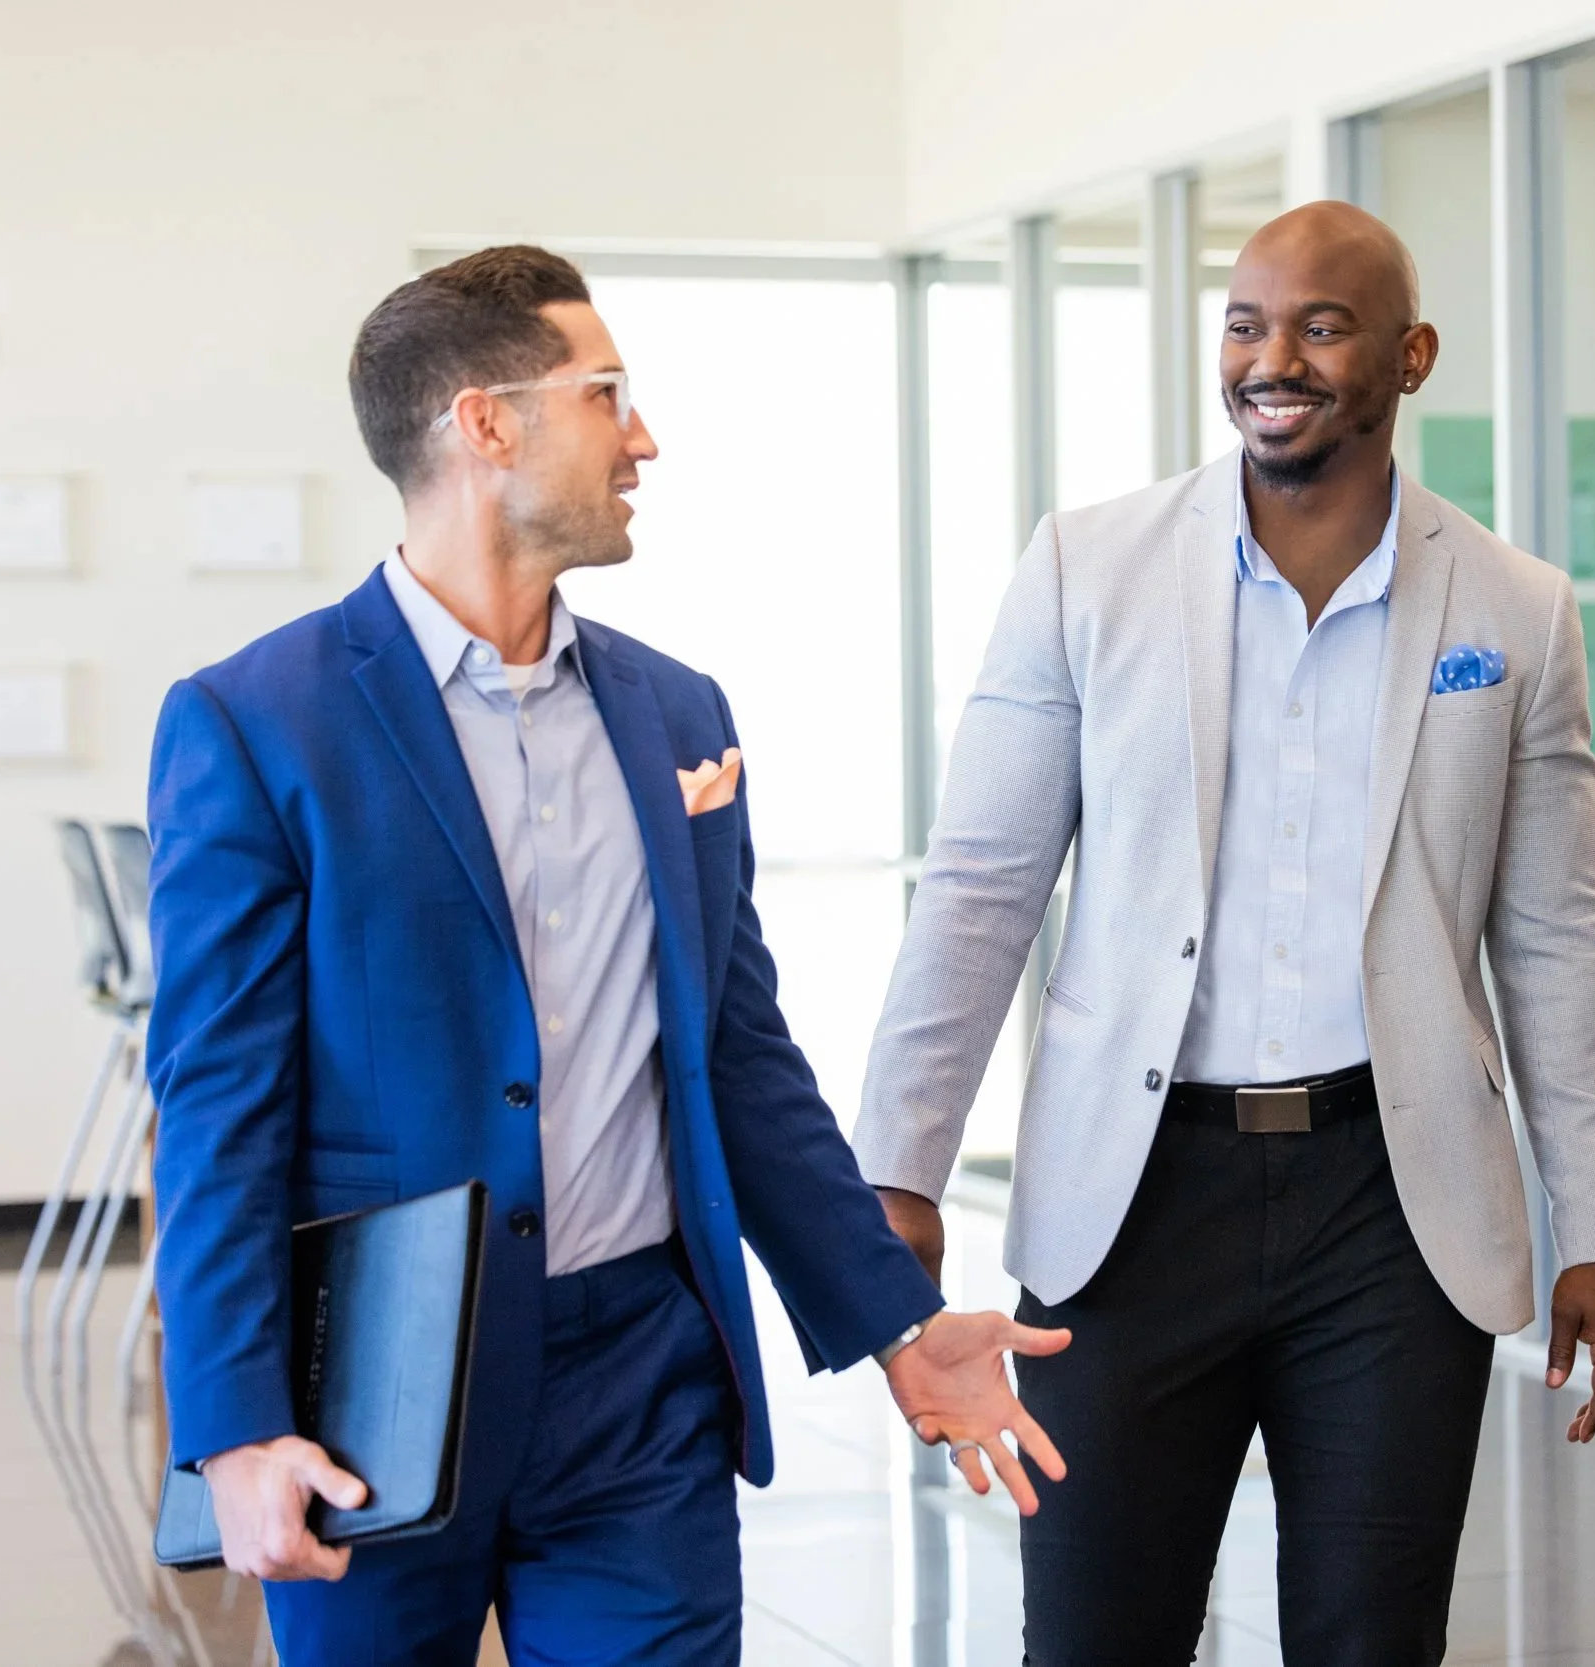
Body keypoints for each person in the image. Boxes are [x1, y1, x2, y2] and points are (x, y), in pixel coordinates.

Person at [144, 245, 1067, 1667]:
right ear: (485, 423)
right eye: (607, 394)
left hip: (645, 1377)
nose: (643, 436)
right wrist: (234, 1424)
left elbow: (740, 1058)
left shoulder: (674, 710)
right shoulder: (259, 724)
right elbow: (216, 1113)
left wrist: (897, 1321)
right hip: (383, 1384)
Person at [850, 200, 1595, 1665]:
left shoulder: (1517, 608)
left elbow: (1554, 937)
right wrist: (900, 1162)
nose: (1270, 358)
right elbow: (981, 882)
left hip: (1389, 1203)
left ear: (1409, 355)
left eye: (1320, 326)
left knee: (1370, 1639)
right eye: (1244, 324)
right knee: (1099, 1635)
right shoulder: (1086, 569)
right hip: (1133, 1200)